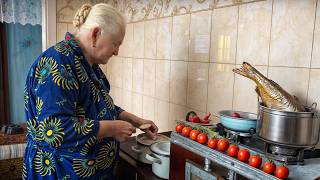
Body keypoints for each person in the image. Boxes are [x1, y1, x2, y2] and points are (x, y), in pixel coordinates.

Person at [23, 3, 158, 180]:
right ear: (95, 34)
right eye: (116, 44)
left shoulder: (88, 65)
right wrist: (111, 128)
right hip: (59, 171)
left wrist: (137, 121)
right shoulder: (57, 63)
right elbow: (55, 130)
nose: (117, 52)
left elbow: (99, 106)